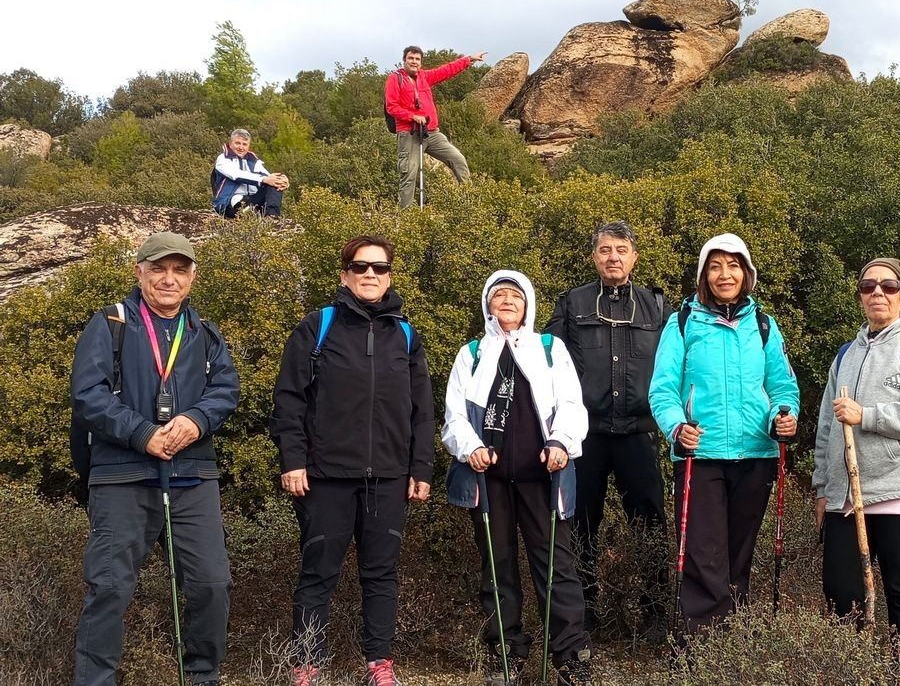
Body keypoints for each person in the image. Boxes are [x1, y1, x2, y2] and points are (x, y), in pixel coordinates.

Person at [71, 232, 241, 686]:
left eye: (179, 270)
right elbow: (88, 396)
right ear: (139, 271)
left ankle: (202, 676)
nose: (169, 279)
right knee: (108, 588)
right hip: (122, 476)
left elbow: (227, 390)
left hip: (192, 476)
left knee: (211, 584)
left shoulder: (205, 333)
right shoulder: (110, 322)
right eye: (159, 268)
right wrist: (143, 433)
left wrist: (197, 420)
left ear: (192, 276)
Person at [270, 235, 436, 686]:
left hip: (388, 477)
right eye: (360, 267)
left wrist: (420, 468)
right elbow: (289, 400)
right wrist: (293, 460)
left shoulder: (405, 335)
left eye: (379, 268)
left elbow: (423, 410)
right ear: (344, 275)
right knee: (317, 573)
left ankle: (379, 665)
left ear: (389, 276)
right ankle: (307, 664)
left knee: (381, 575)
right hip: (324, 476)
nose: (369, 275)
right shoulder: (317, 326)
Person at [443, 270, 594, 686]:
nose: (507, 301)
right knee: (497, 565)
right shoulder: (471, 353)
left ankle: (569, 653)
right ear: (487, 305)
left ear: (528, 305)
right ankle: (504, 649)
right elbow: (454, 415)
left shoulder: (550, 349)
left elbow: (570, 403)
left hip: (544, 476)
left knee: (555, 567)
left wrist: (561, 442)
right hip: (486, 478)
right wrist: (470, 446)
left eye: (515, 295)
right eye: (499, 295)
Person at [648, 233, 799, 639]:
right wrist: (677, 429)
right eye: (715, 266)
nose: (724, 274)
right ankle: (701, 648)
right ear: (703, 275)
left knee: (738, 553)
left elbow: (783, 387)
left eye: (733, 265)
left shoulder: (765, 325)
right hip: (702, 453)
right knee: (702, 553)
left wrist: (782, 418)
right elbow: (662, 388)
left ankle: (732, 644)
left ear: (746, 273)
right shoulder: (682, 323)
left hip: (756, 454)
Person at [812, 257, 900, 646]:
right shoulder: (845, 355)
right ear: (859, 296)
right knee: (840, 593)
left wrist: (865, 415)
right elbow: (826, 427)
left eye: (888, 287)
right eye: (868, 286)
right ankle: (854, 669)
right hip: (847, 497)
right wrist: (823, 487)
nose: (877, 293)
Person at [544, 221, 671, 633]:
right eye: (604, 250)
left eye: (621, 249)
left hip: (639, 432)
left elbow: (678, 367)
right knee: (580, 522)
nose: (613, 257)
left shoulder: (658, 307)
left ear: (634, 256)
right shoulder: (572, 303)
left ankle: (654, 612)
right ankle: (584, 613)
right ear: (593, 256)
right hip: (587, 434)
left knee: (650, 522)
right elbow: (547, 364)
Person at [384, 45, 486, 207]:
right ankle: (405, 219)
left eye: (417, 59)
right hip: (409, 134)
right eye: (411, 58)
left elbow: (446, 70)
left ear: (421, 62)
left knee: (458, 159)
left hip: (431, 132)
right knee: (409, 175)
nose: (414, 62)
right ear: (404, 60)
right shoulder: (395, 79)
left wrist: (469, 60)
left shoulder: (424, 76)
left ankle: (470, 205)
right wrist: (413, 116)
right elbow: (392, 106)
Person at [211, 128, 290, 218]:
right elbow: (236, 175)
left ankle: (272, 217)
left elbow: (268, 176)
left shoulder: (253, 161)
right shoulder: (223, 159)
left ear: (248, 146)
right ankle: (249, 213)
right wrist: (264, 179)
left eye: (244, 144)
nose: (241, 147)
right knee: (244, 206)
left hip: (252, 199)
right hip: (230, 201)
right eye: (237, 143)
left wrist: (283, 181)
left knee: (274, 184)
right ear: (230, 143)